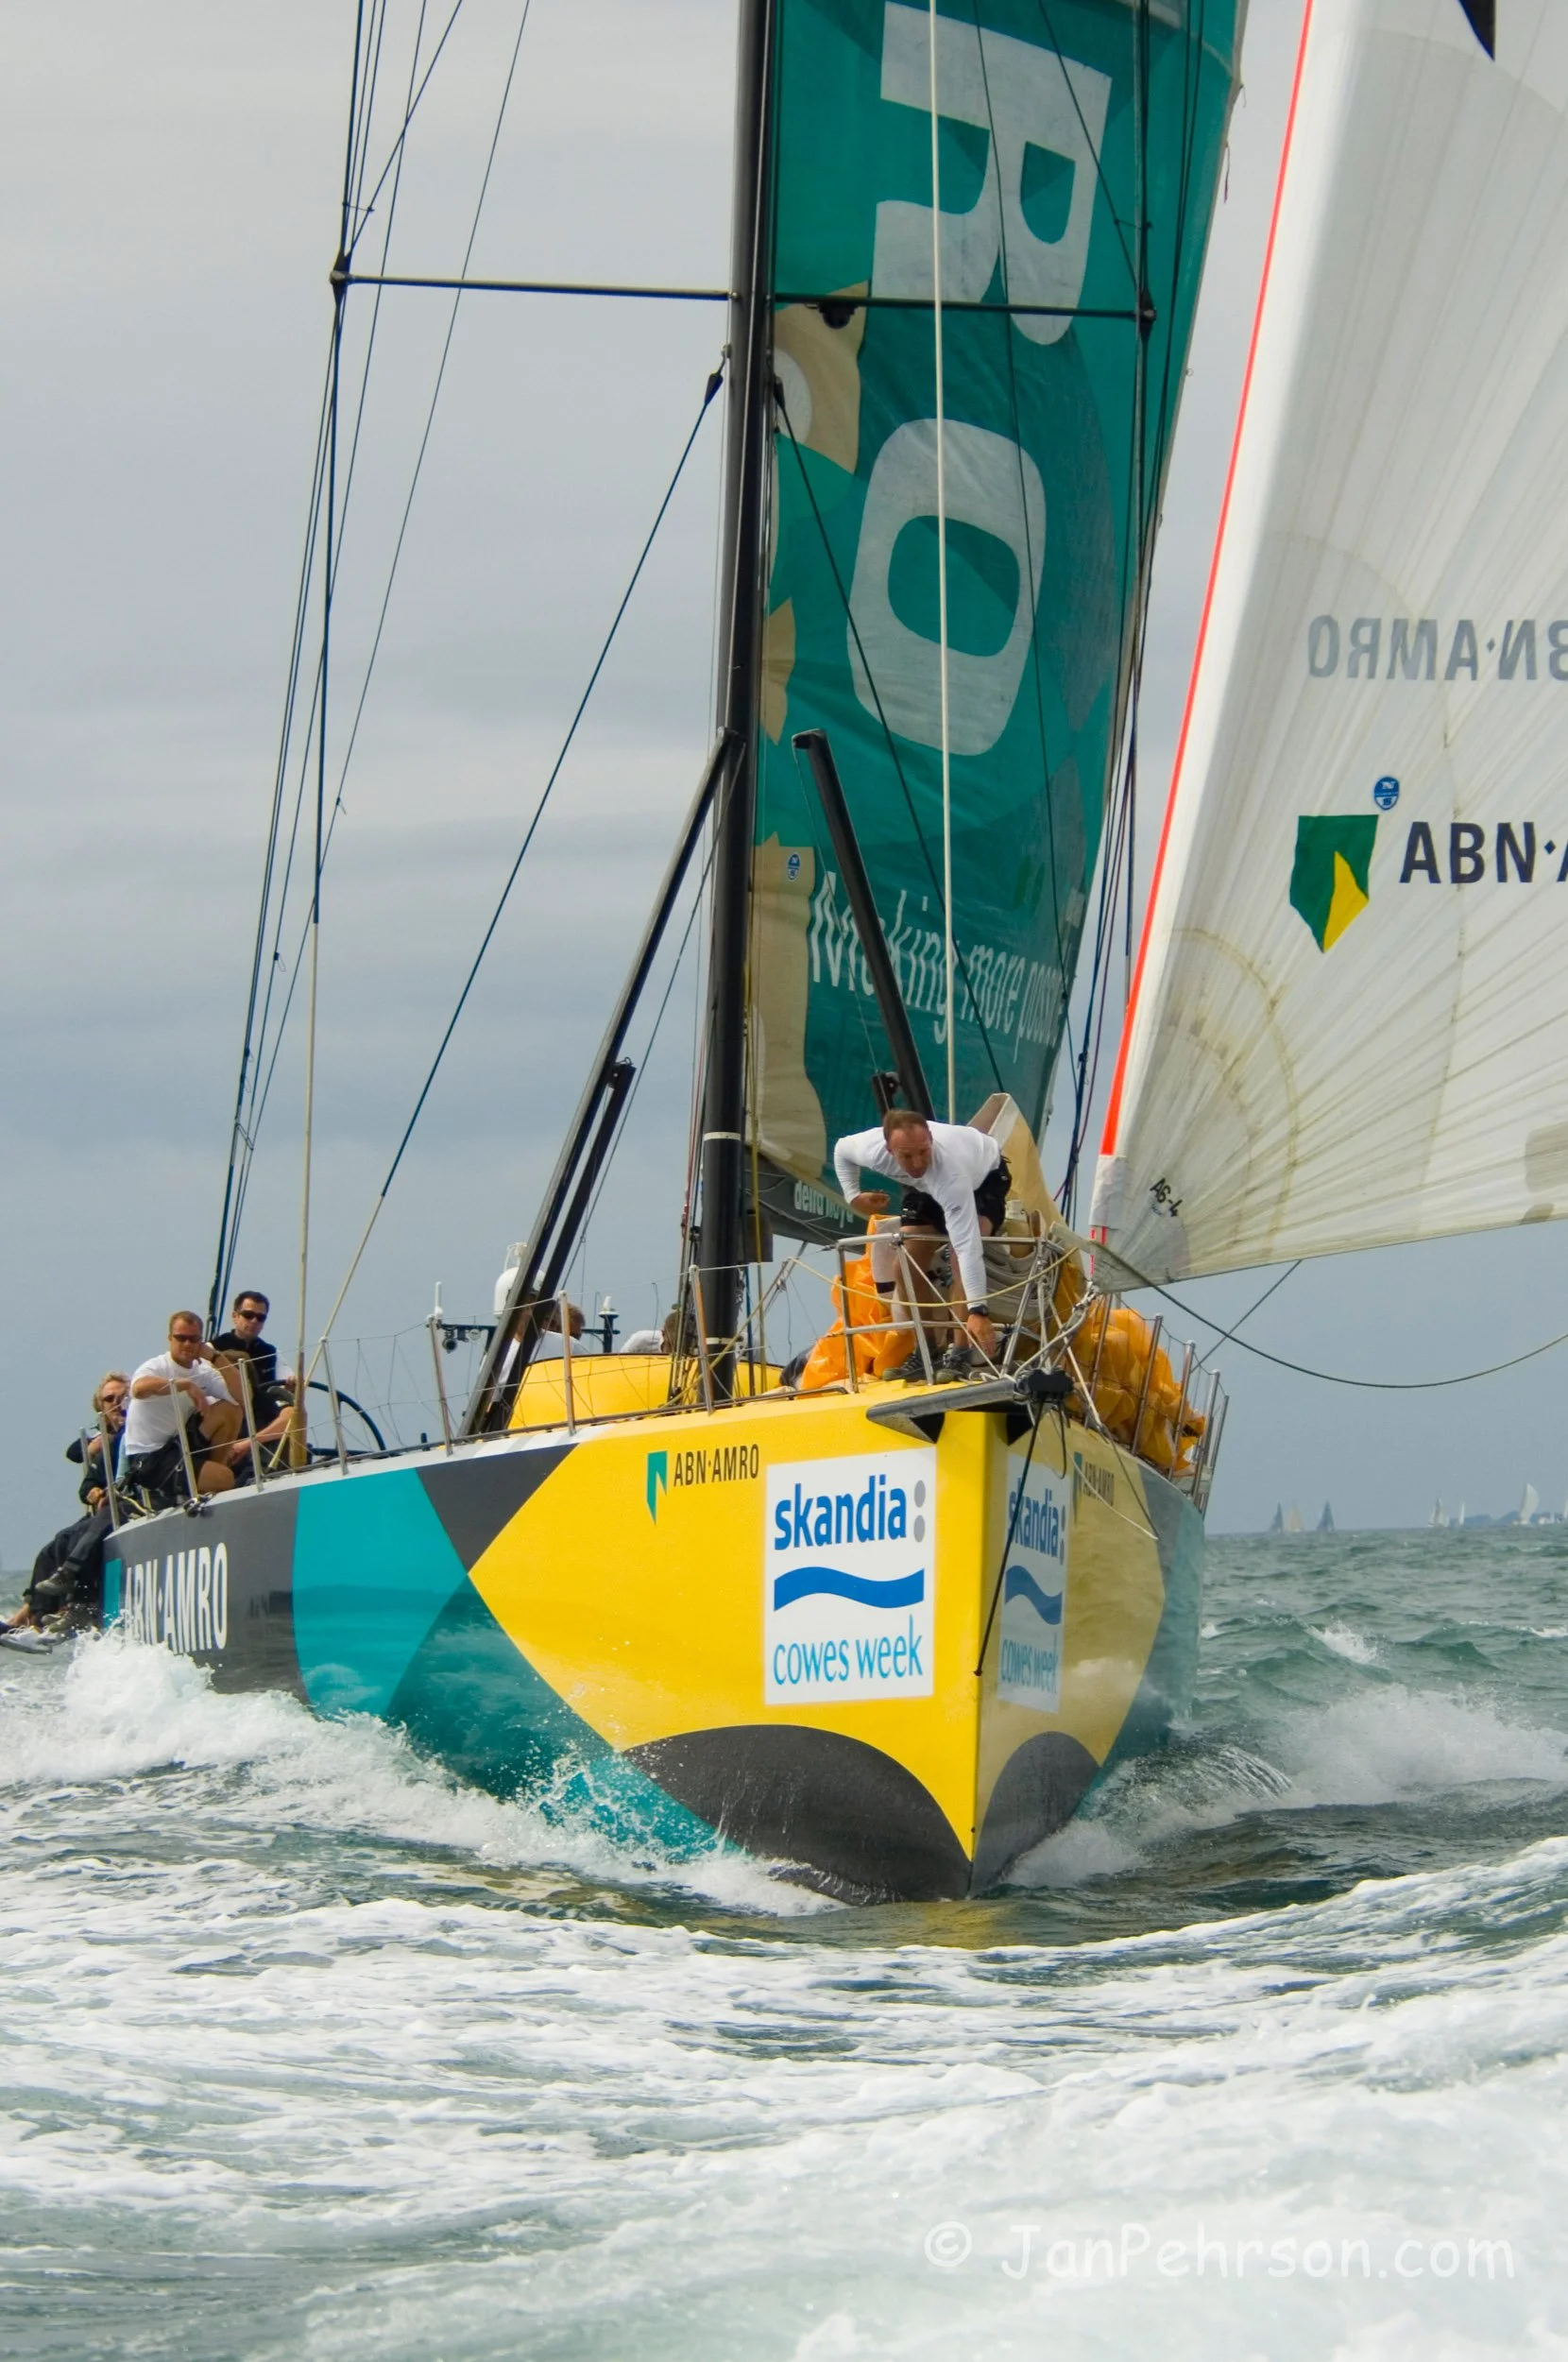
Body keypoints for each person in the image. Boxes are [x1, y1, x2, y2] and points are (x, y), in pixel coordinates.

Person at [833, 1109, 1010, 1373]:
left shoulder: (951, 1173)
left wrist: (978, 1311)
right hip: (926, 1187)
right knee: (904, 1265)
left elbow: (967, 1248)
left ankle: (959, 1354)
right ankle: (926, 1354)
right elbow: (841, 1150)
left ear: (931, 1140)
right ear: (889, 1151)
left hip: (986, 1178)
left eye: (923, 1152)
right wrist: (853, 1196)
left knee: (958, 1257)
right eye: (906, 1156)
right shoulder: (872, 1151)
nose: (917, 1163)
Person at [3, 1376, 129, 1633]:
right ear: (100, 1407)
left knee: (75, 1539)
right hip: (102, 1507)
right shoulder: (104, 1441)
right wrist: (94, 1492)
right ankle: (31, 1619)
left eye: (122, 1398)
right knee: (55, 1546)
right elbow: (78, 1462)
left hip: (125, 1505)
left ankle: (54, 1613)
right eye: (109, 1399)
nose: (116, 1404)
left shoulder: (136, 1433)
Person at [123, 1312, 244, 1506]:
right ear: (170, 1339)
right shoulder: (156, 1366)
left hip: (179, 1445)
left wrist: (215, 1357)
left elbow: (242, 1398)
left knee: (232, 1410)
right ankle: (211, 1483)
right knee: (226, 1478)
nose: (187, 1344)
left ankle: (208, 1485)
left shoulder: (203, 1370)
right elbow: (138, 1389)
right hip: (150, 1458)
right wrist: (183, 1385)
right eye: (181, 1338)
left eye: (194, 1339)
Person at [211, 1289, 295, 1469]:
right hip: (228, 1411)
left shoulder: (270, 1352)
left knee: (293, 1414)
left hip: (262, 1409)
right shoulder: (213, 1348)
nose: (254, 1321)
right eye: (248, 1315)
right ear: (235, 1316)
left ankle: (255, 1449)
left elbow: (289, 1378)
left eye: (260, 1317)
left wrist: (294, 1383)